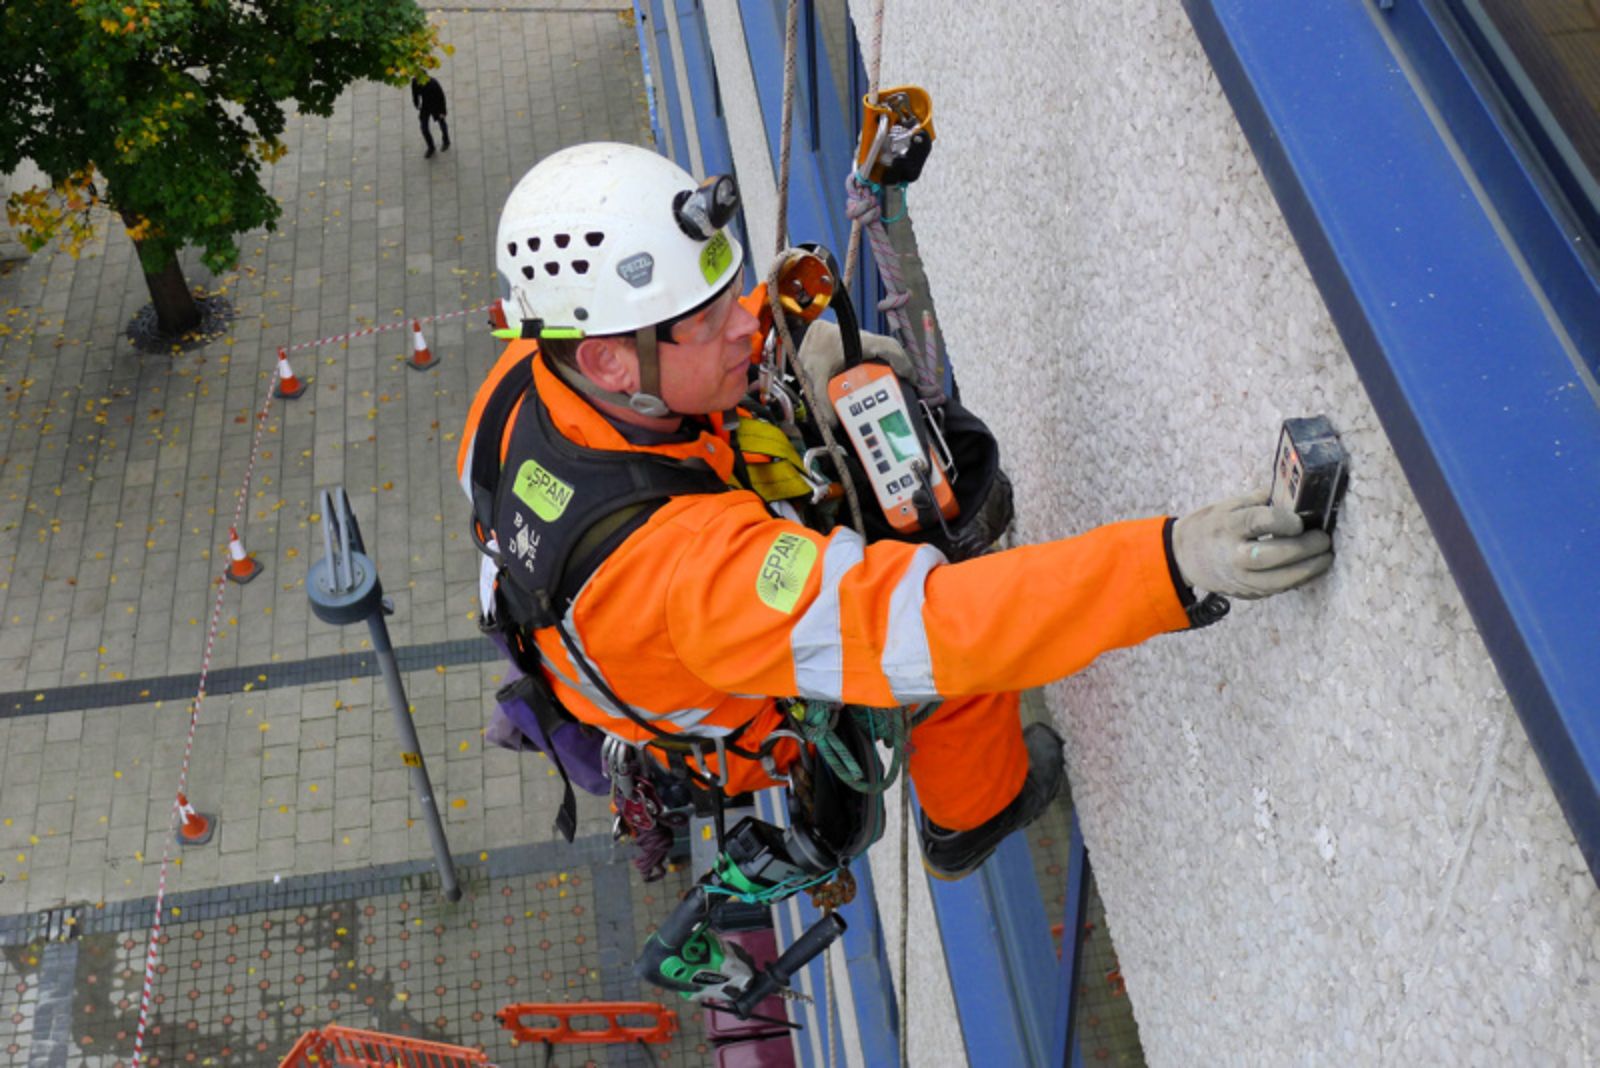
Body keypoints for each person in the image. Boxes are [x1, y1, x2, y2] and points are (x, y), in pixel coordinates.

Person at [458, 142, 1334, 880]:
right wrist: (1172, 563)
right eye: (707, 319)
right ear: (612, 363)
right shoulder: (682, 577)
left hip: (646, 614)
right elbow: (935, 624)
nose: (739, 327)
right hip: (732, 690)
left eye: (733, 299)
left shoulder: (527, 381)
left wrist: (793, 333)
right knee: (941, 595)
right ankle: (973, 813)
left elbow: (676, 383)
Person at [411, 76, 450, 158]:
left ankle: (446, 141)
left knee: (442, 124)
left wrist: (443, 111)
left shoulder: (433, 83)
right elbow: (414, 94)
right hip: (425, 106)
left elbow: (441, 97)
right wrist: (416, 104)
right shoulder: (414, 81)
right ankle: (431, 147)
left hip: (436, 106)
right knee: (424, 128)